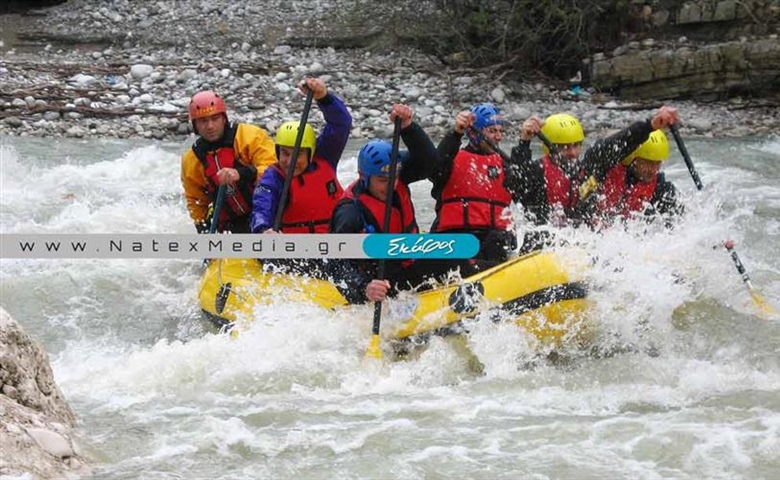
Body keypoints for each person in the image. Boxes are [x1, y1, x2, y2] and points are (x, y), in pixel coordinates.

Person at [329, 104, 467, 304]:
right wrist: (364, 287)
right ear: (363, 177)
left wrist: (409, 128)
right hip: (379, 283)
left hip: (408, 265)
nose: (391, 185)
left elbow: (429, 161)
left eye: (393, 178)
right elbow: (336, 262)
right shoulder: (350, 211)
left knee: (455, 254)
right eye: (383, 181)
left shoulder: (396, 178)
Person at [511, 106, 680, 251]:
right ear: (549, 147)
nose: (572, 152)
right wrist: (524, 143)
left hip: (579, 247)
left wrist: (649, 125)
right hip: (542, 247)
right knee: (540, 235)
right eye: (564, 147)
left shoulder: (589, 169)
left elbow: (616, 144)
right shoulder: (536, 172)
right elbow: (515, 185)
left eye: (576, 145)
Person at [250, 77, 351, 234]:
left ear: (311, 153)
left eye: (298, 154)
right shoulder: (273, 178)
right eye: (285, 153)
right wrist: (263, 229)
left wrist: (323, 97)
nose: (290, 161)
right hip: (296, 253)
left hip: (334, 246)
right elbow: (262, 208)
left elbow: (341, 123)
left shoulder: (325, 157)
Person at [431, 103, 518, 263]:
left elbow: (526, 189)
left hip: (493, 242)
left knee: (498, 239)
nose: (498, 137)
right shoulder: (451, 160)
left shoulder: (504, 164)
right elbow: (435, 169)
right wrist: (456, 133)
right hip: (456, 240)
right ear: (474, 133)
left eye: (500, 131)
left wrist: (524, 144)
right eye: (492, 131)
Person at [181, 90, 276, 233]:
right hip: (231, 223)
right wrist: (201, 225)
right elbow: (195, 199)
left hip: (266, 213)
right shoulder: (192, 160)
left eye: (215, 118)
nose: (210, 126)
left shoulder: (249, 137)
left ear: (224, 118)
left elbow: (274, 170)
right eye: (203, 121)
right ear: (195, 125)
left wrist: (242, 173)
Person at [593, 129, 684, 226]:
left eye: (657, 163)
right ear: (634, 158)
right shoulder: (606, 172)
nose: (653, 170)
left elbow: (677, 227)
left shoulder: (661, 189)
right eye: (648, 163)